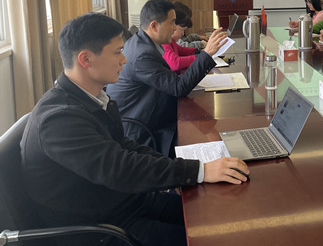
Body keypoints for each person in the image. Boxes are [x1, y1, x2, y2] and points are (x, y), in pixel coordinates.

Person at [20, 13, 249, 246]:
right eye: (117, 52)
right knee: (213, 238)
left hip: (128, 202)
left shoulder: (91, 98)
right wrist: (198, 171)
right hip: (103, 228)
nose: (124, 60)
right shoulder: (59, 120)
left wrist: (189, 172)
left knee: (221, 216)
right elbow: (120, 168)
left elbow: (124, 146)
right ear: (86, 59)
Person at [106, 0, 228, 157]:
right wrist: (206, 54)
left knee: (206, 125)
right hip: (142, 130)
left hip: (152, 113)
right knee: (209, 141)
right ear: (154, 26)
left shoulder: (146, 42)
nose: (175, 28)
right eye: (171, 23)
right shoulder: (143, 54)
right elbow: (179, 88)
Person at [163, 9, 202, 73]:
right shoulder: (164, 42)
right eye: (181, 30)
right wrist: (201, 57)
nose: (183, 34)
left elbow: (182, 50)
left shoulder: (171, 41)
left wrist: (200, 52)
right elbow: (175, 63)